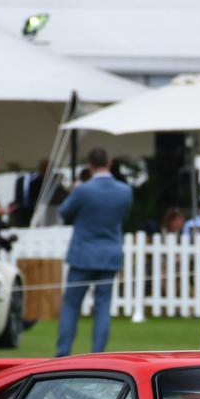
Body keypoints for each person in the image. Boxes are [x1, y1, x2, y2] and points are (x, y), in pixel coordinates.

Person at [55, 148, 131, 357]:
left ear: (90, 165)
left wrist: (74, 191)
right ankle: (98, 354)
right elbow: (123, 215)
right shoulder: (125, 190)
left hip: (83, 255)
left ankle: (63, 352)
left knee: (71, 304)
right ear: (110, 161)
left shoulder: (83, 190)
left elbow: (64, 213)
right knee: (103, 306)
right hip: (109, 254)